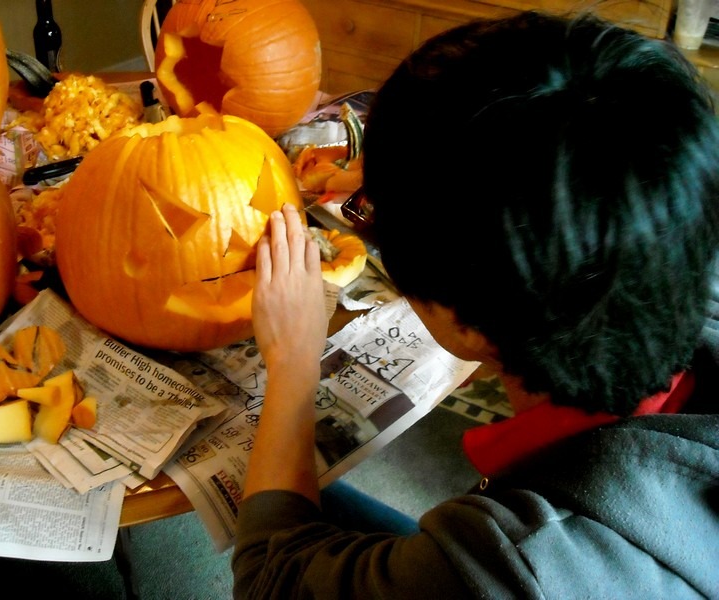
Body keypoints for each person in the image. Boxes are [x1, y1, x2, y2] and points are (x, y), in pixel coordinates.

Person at [231, 10, 719, 599]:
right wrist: (403, 184)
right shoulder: (676, 233)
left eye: (374, 218)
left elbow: (268, 580)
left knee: (267, 505)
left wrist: (292, 361)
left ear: (471, 325)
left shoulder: (510, 568)